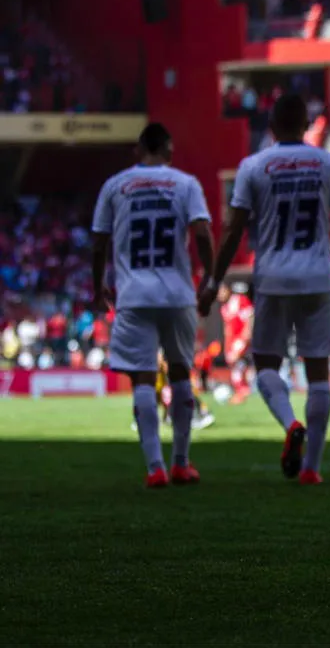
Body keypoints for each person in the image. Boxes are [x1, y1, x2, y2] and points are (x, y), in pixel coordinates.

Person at [198, 94, 330, 485]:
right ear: (307, 124)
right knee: (319, 372)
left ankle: (290, 424)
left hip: (271, 278)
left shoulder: (254, 166)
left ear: (271, 126)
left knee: (266, 365)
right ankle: (312, 469)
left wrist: (214, 280)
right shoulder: (328, 162)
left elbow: (233, 229)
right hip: (319, 278)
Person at [91, 122, 215, 488]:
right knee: (180, 374)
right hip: (177, 294)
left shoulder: (115, 185)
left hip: (134, 295)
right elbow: (203, 232)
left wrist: (97, 284)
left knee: (143, 378)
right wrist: (210, 278)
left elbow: (99, 242)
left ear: (137, 149)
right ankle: (181, 462)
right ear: (169, 150)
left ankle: (154, 468)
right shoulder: (186, 183)